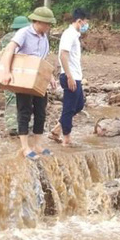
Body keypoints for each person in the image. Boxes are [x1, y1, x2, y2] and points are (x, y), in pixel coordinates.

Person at [0, 7, 57, 159]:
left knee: (41, 111)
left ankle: (37, 144)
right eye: (47, 24)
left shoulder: (44, 37)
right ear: (38, 22)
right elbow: (9, 50)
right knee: (24, 111)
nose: (49, 27)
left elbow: (42, 59)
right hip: (24, 77)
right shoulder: (24, 33)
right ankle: (25, 147)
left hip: (38, 78)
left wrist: (50, 76)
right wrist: (7, 72)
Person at [49, 9, 90, 146]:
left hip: (75, 76)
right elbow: (63, 55)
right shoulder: (69, 35)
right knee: (69, 108)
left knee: (78, 105)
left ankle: (57, 129)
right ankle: (67, 140)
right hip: (70, 76)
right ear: (79, 21)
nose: (86, 26)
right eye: (85, 22)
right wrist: (69, 76)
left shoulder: (74, 35)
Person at [0, 16, 30, 136]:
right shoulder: (24, 37)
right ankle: (26, 125)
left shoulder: (4, 39)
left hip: (6, 71)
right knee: (25, 99)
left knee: (10, 98)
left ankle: (12, 126)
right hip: (22, 72)